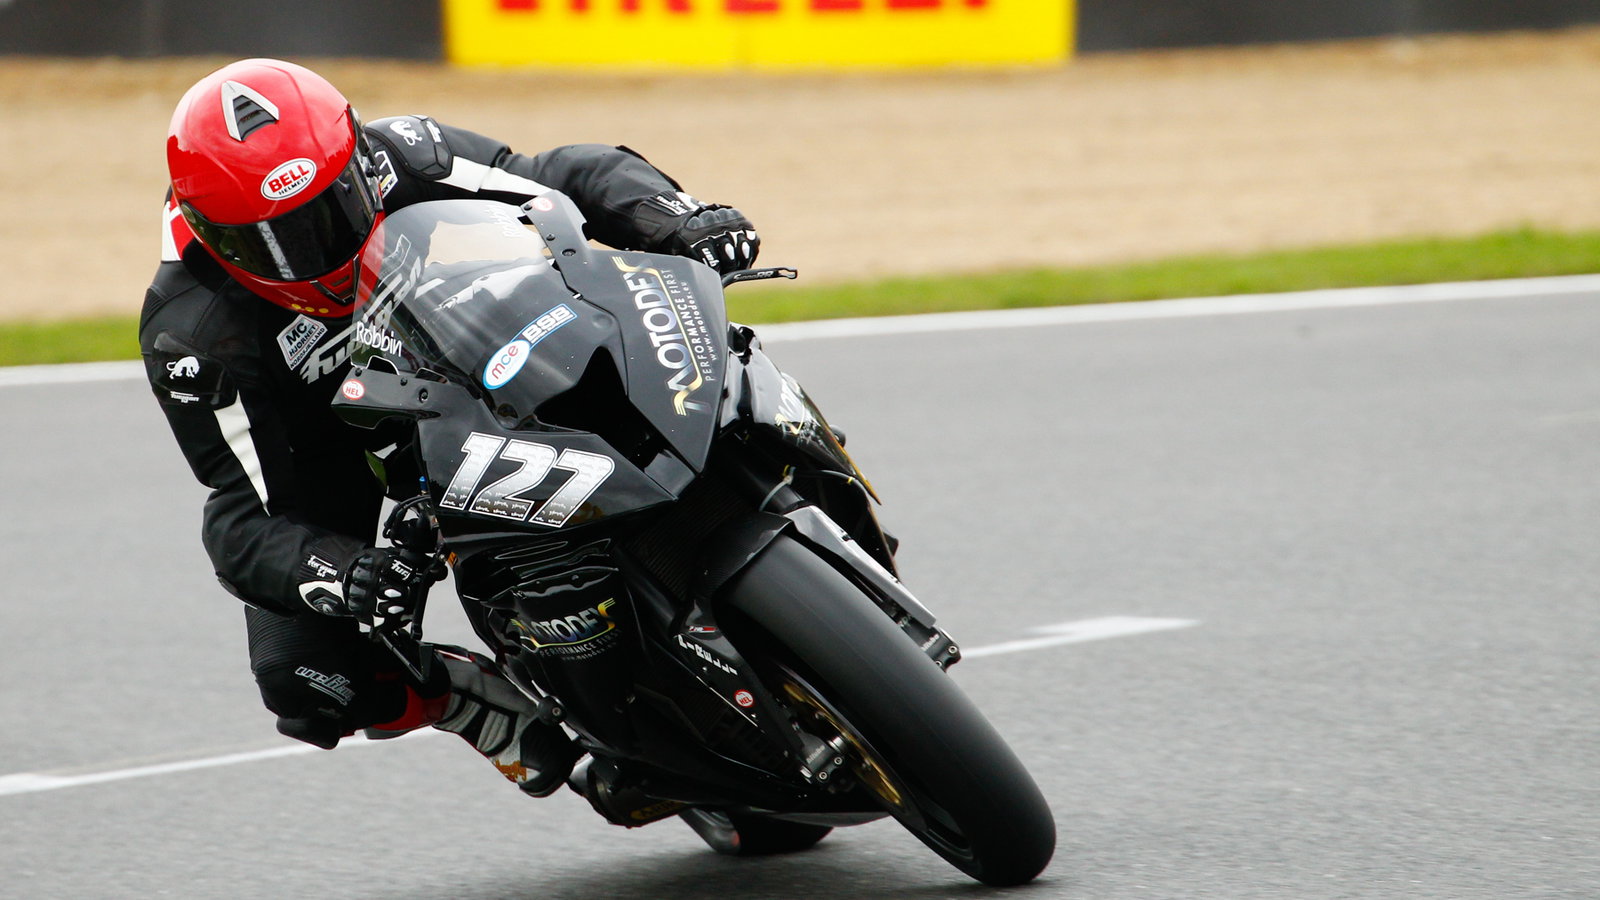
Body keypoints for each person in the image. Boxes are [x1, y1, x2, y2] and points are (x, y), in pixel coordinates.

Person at [139, 58, 760, 797]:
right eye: (267, 244)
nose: (311, 254)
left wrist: (676, 216)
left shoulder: (400, 152)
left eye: (327, 212)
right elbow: (240, 519)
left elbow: (556, 176)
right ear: (213, 238)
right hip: (332, 454)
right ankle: (462, 702)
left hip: (467, 347)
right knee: (304, 680)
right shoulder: (191, 339)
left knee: (676, 346)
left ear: (358, 165)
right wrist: (342, 570)